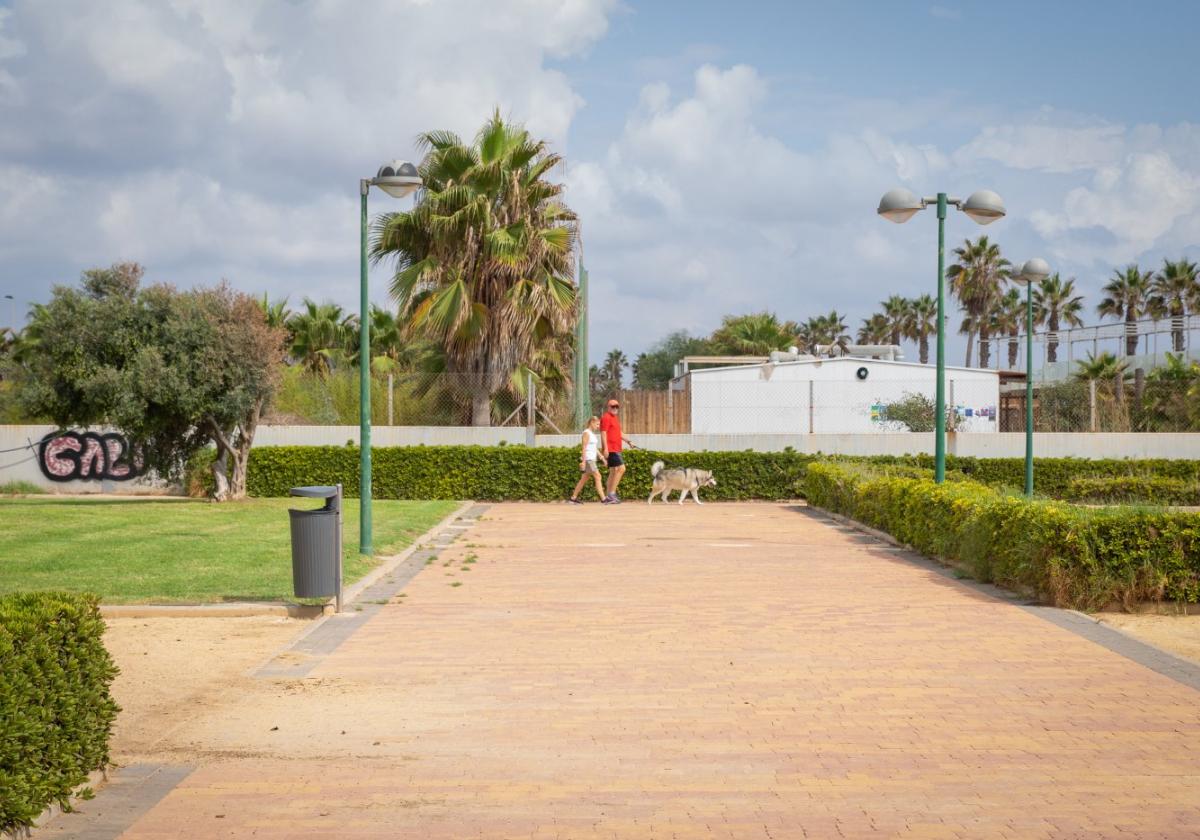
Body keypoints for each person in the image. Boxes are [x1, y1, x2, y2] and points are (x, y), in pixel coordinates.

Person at [598, 398, 633, 503]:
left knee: (613, 471)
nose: (615, 408)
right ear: (608, 407)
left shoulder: (614, 418)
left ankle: (608, 496)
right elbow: (603, 433)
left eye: (617, 406)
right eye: (613, 406)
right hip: (612, 449)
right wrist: (606, 449)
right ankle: (612, 494)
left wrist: (629, 441)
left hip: (616, 448)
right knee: (622, 469)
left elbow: (619, 432)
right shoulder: (606, 418)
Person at [568, 416, 605, 504]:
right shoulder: (586, 433)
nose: (598, 426)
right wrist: (584, 462)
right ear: (591, 422)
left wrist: (602, 458)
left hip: (592, 459)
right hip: (588, 459)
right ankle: (604, 499)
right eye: (597, 424)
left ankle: (573, 498)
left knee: (584, 479)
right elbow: (584, 447)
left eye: (599, 424)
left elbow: (595, 448)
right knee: (598, 476)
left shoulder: (592, 434)